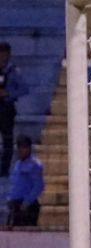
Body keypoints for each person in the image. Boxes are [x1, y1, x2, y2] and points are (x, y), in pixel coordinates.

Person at [0, 42, 29, 177]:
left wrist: (9, 93)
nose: (2, 57)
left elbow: (24, 89)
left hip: (6, 108)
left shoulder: (13, 71)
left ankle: (4, 169)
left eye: (5, 54)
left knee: (7, 139)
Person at [6, 135, 43, 227]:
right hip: (15, 205)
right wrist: (9, 198)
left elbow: (38, 186)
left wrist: (27, 202)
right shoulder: (17, 165)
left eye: (24, 147)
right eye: (19, 147)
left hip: (27, 205)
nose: (21, 150)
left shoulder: (35, 164)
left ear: (29, 148)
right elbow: (13, 184)